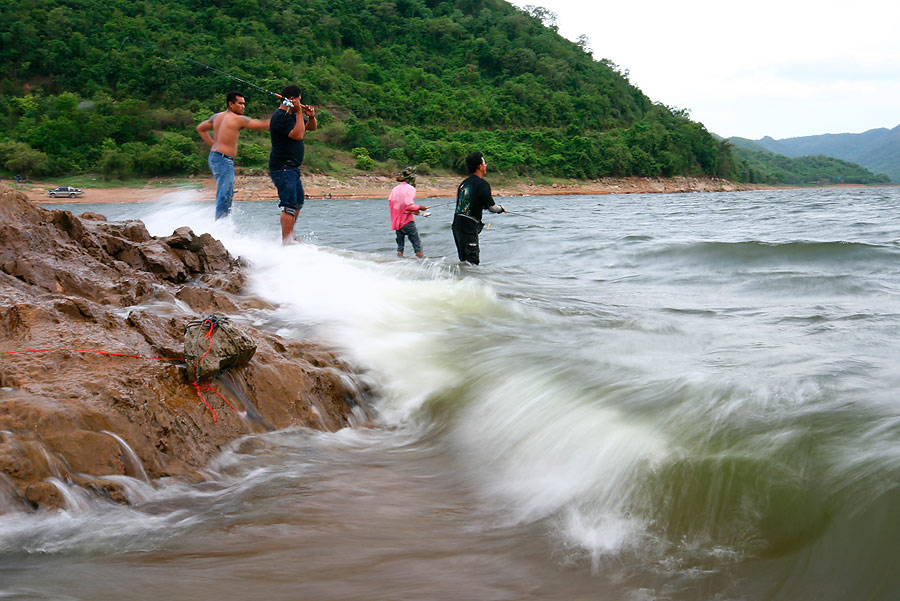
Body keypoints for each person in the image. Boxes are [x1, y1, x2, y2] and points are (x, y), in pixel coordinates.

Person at [197, 91, 271, 220]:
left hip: (215, 157)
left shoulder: (217, 117)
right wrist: (285, 113)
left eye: (244, 104)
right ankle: (221, 225)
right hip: (223, 159)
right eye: (240, 103)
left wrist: (213, 145)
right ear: (231, 104)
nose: (243, 106)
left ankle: (223, 222)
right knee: (225, 193)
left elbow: (200, 128)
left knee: (227, 192)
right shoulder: (239, 119)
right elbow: (263, 125)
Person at [269, 84, 317, 244]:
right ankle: (286, 242)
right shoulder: (279, 117)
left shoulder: (291, 116)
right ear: (291, 100)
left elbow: (310, 128)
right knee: (289, 204)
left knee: (298, 202)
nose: (300, 103)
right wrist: (298, 112)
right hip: (282, 166)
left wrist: (310, 116)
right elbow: (298, 135)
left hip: (292, 168)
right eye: (299, 100)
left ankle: (290, 235)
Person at [452, 151, 505, 264]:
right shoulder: (482, 184)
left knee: (464, 262)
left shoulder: (463, 184)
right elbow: (492, 208)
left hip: (457, 225)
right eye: (484, 163)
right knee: (473, 263)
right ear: (480, 166)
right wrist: (501, 209)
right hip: (468, 226)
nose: (486, 166)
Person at [388, 166, 428, 258]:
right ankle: (423, 266)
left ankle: (398, 264)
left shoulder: (394, 189)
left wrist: (413, 211)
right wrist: (420, 207)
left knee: (400, 249)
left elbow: (396, 206)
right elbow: (408, 205)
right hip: (407, 222)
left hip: (397, 224)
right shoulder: (410, 188)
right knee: (417, 247)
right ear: (412, 178)